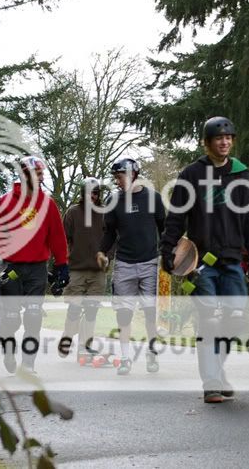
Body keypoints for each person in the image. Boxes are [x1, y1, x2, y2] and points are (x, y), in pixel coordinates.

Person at [160, 116, 249, 403]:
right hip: (201, 262)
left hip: (232, 260)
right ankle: (211, 383)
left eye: (229, 137)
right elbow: (176, 216)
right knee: (210, 320)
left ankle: (217, 371)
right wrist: (168, 250)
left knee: (235, 317)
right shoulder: (192, 174)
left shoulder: (241, 175)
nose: (225, 142)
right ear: (207, 143)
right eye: (219, 138)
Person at [0, 156, 69, 374]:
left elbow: (57, 237)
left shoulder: (47, 204)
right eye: (36, 173)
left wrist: (62, 264)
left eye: (41, 173)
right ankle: (8, 349)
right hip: (9, 269)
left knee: (33, 316)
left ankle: (28, 363)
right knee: (11, 319)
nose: (41, 176)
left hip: (37, 268)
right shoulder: (7, 201)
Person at [97, 158, 166, 375]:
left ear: (132, 175)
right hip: (124, 264)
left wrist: (169, 254)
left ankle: (152, 353)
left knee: (149, 312)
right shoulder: (114, 201)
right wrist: (101, 252)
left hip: (150, 263)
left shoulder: (153, 198)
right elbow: (109, 233)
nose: (116, 182)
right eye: (115, 178)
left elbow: (164, 229)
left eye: (119, 177)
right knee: (123, 314)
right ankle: (125, 358)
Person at [58, 177, 107, 362]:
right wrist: (65, 259)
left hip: (98, 270)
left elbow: (111, 237)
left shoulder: (104, 213)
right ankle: (67, 337)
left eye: (95, 193)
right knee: (74, 308)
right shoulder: (73, 212)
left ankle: (85, 347)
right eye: (88, 193)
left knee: (92, 310)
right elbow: (63, 238)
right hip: (77, 269)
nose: (92, 196)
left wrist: (107, 255)